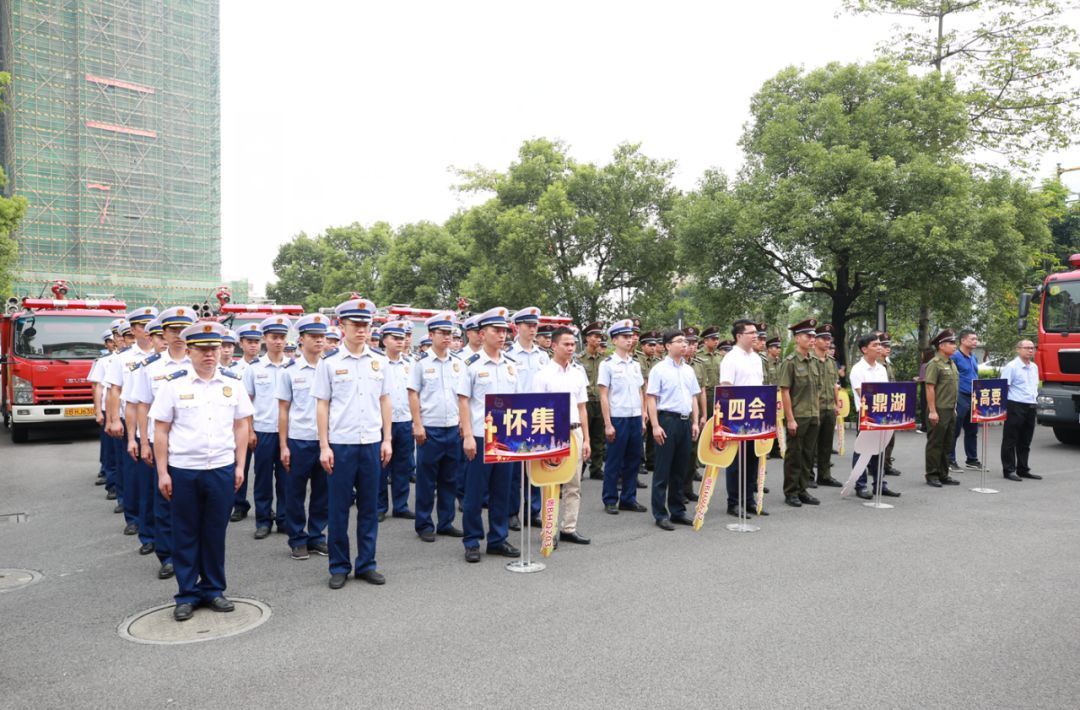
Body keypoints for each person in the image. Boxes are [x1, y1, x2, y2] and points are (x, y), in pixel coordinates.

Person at [148, 321, 253, 622]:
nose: (210, 355)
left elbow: (241, 426)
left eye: (215, 349)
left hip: (220, 469)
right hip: (184, 470)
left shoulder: (233, 384)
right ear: (190, 351)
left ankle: (213, 590)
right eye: (203, 350)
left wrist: (240, 466)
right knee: (185, 532)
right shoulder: (174, 384)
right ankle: (186, 594)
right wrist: (163, 473)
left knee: (214, 533)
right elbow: (162, 430)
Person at [313, 298, 392, 589]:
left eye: (366, 325)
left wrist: (387, 439)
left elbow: (385, 401)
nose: (361, 330)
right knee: (338, 509)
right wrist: (324, 446)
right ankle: (339, 565)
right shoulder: (329, 363)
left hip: (371, 443)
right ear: (342, 326)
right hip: (341, 445)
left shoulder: (379, 361)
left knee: (370, 508)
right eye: (355, 325)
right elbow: (322, 405)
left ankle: (366, 564)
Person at [131, 306, 198, 580]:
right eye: (173, 331)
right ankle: (168, 556)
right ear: (164, 334)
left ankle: (193, 554)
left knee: (194, 504)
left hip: (193, 446)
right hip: (160, 445)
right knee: (164, 502)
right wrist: (143, 442)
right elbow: (141, 406)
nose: (179, 336)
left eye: (184, 330)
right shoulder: (151, 368)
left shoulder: (203, 364)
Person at [456, 307, 521, 562]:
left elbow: (517, 403)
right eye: (496, 330)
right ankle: (472, 541)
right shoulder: (470, 365)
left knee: (501, 491)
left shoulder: (511, 366)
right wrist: (468, 436)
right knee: (474, 492)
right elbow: (463, 401)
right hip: (481, 436)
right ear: (482, 334)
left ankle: (497, 538)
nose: (502, 335)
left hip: (506, 437)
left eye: (504, 330)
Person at [276, 314, 330, 561]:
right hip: (299, 439)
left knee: (323, 491)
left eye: (322, 337)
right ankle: (297, 538)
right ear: (302, 339)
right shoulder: (290, 371)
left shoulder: (331, 366)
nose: (319, 341)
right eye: (314, 337)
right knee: (295, 492)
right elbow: (284, 409)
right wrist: (284, 445)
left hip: (326, 440)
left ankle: (317, 536)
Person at [408, 312, 465, 542]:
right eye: (442, 333)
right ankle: (423, 524)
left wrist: (463, 422)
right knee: (426, 479)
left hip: (453, 427)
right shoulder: (420, 363)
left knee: (449, 479)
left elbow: (463, 396)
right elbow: (413, 395)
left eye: (449, 333)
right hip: (429, 429)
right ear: (430, 335)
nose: (447, 337)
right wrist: (417, 424)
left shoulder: (459, 363)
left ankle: (446, 522)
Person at [104, 307, 158, 544]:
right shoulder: (123, 358)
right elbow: (114, 389)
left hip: (161, 425)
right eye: (142, 326)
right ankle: (136, 521)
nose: (147, 331)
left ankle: (160, 527)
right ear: (134, 329)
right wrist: (114, 419)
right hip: (132, 420)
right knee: (136, 476)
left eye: (151, 326)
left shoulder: (165, 357)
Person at [534, 326, 592, 544]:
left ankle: (569, 528)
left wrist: (586, 439)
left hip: (575, 430)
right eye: (566, 344)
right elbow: (538, 410)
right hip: (552, 432)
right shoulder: (543, 375)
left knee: (574, 483)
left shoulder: (578, 373)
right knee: (552, 483)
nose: (570, 348)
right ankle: (549, 529)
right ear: (554, 345)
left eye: (573, 344)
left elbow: (582, 407)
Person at [242, 315, 293, 539]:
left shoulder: (293, 367)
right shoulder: (254, 368)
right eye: (274, 337)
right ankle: (263, 520)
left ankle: (283, 519)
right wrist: (250, 431)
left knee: (286, 478)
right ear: (265, 339)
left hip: (289, 432)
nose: (278, 342)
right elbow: (246, 403)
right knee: (262, 478)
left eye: (282, 337)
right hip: (262, 431)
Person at [645, 330, 700, 530]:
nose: (684, 344)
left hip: (685, 422)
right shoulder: (658, 369)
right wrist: (656, 425)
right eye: (679, 341)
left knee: (681, 468)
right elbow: (651, 397)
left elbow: (694, 397)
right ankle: (660, 514)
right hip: (667, 420)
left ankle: (677, 511)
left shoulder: (689, 370)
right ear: (668, 345)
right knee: (662, 470)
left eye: (685, 341)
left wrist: (695, 422)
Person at [718, 319, 768, 517]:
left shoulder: (756, 358)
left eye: (756, 332)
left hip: (756, 415)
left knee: (752, 460)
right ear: (739, 336)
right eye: (751, 332)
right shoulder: (731, 358)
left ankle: (749, 500)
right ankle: (734, 503)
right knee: (736, 462)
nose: (756, 336)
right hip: (737, 416)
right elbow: (726, 387)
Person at [598, 319, 647, 515]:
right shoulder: (607, 365)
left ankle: (629, 498)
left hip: (634, 417)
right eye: (625, 337)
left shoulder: (635, 364)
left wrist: (643, 416)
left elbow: (641, 390)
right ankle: (610, 498)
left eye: (631, 336)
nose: (630, 340)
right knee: (614, 461)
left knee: (634, 460)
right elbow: (603, 395)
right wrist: (608, 424)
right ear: (614, 340)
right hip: (618, 417)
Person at [507, 307, 549, 530]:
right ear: (517, 327)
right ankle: (512, 511)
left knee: (535, 468)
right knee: (514, 472)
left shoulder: (543, 356)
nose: (533, 329)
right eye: (528, 325)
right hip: (515, 416)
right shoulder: (509, 355)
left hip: (538, 416)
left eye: (535, 325)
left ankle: (533, 511)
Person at [847, 333, 900, 499]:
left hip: (882, 414)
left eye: (880, 344)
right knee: (862, 451)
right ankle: (860, 485)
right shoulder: (858, 369)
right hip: (866, 415)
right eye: (875, 345)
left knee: (880, 451)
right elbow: (862, 394)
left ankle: (880, 484)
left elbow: (885, 393)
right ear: (864, 349)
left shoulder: (882, 369)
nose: (879, 347)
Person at [779, 319, 821, 507]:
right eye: (807, 336)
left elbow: (817, 389)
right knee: (794, 455)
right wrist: (790, 419)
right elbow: (785, 391)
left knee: (808, 455)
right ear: (797, 339)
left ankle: (803, 489)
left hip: (813, 415)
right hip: (798, 416)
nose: (812, 339)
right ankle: (791, 492)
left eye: (813, 336)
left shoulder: (814, 361)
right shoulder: (790, 362)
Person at [377, 320, 416, 521]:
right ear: (384, 340)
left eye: (402, 338)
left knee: (402, 466)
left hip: (405, 420)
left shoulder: (410, 364)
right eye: (395, 338)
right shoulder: (376, 363)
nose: (400, 342)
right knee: (382, 466)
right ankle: (380, 506)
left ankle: (401, 505)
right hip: (383, 422)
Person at [229, 322, 263, 522]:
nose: (253, 345)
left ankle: (264, 509)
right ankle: (239, 504)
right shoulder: (234, 369)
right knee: (241, 464)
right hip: (242, 424)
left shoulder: (267, 365)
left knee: (264, 471)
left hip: (265, 424)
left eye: (256, 342)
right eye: (249, 342)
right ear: (241, 343)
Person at [924, 329, 961, 487]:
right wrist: (932, 411)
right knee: (935, 444)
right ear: (941, 346)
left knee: (947, 443)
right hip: (938, 410)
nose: (954, 346)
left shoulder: (951, 363)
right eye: (951, 343)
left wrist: (954, 408)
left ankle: (943, 474)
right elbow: (930, 388)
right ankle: (932, 474)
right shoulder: (935, 364)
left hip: (950, 410)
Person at [1000, 340, 1042, 482]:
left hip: (1030, 406)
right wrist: (1003, 408)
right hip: (1015, 405)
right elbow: (1003, 387)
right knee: (1010, 439)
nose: (1030, 350)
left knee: (1025, 440)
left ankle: (1023, 469)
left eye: (1032, 348)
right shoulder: (1012, 366)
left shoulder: (1034, 367)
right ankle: (1009, 470)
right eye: (1027, 348)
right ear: (1018, 349)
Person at [811, 324, 844, 488]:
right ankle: (808, 476)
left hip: (829, 408)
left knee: (826, 444)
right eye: (824, 338)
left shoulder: (831, 362)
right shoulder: (809, 360)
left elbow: (834, 385)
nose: (827, 342)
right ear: (815, 340)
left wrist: (837, 404)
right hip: (812, 409)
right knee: (810, 446)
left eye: (828, 339)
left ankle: (824, 475)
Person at [950, 329, 981, 470]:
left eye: (976, 339)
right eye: (972, 339)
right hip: (960, 395)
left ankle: (972, 459)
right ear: (963, 340)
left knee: (972, 430)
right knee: (955, 429)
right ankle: (950, 460)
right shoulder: (955, 356)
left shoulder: (973, 357)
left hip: (973, 395)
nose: (975, 342)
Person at [579, 322, 607, 481]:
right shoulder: (579, 359)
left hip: (601, 401)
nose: (598, 339)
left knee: (599, 437)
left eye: (599, 337)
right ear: (587, 338)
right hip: (586, 402)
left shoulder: (605, 359)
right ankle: (580, 468)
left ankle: (596, 468)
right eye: (595, 336)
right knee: (583, 436)